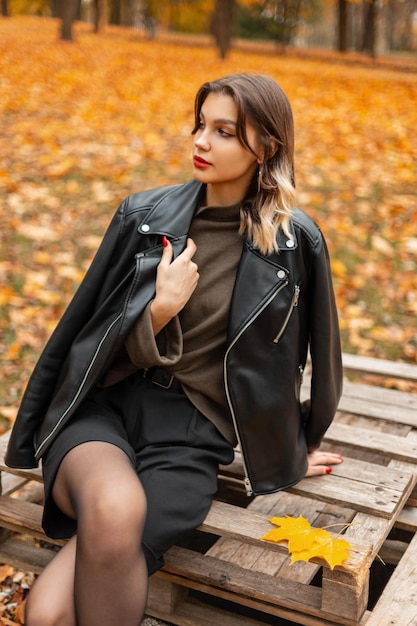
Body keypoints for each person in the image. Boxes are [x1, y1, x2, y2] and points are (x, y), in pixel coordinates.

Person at [5, 73, 343, 626]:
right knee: (115, 506)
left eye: (224, 131)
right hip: (103, 414)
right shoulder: (143, 218)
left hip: (189, 442)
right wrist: (156, 313)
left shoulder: (293, 244)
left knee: (46, 614)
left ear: (267, 147)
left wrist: (293, 448)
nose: (201, 142)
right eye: (200, 125)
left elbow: (319, 359)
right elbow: (81, 341)